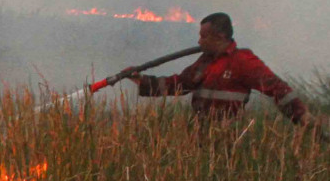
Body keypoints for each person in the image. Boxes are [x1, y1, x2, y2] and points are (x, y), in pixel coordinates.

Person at [123, 12, 307, 124]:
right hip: (200, 135)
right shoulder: (204, 61)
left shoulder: (243, 61)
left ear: (219, 36)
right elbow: (179, 84)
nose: (199, 41)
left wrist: (303, 118)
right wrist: (141, 80)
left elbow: (277, 89)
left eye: (204, 36)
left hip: (229, 139)